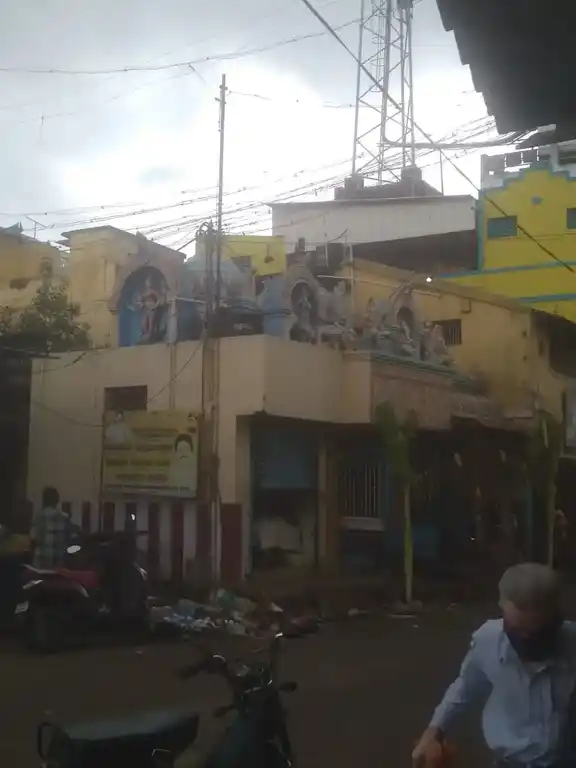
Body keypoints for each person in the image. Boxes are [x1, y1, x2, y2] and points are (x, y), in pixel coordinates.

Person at [412, 563, 576, 768]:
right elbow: (464, 689)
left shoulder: (572, 643)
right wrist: (434, 731)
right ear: (503, 611)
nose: (526, 639)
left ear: (557, 620)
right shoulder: (488, 641)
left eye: (538, 632)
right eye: (517, 629)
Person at [30, 487, 78, 570]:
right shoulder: (65, 518)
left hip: (40, 565)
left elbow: (33, 539)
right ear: (57, 500)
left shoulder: (37, 518)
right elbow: (70, 541)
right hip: (59, 566)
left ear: (44, 500)